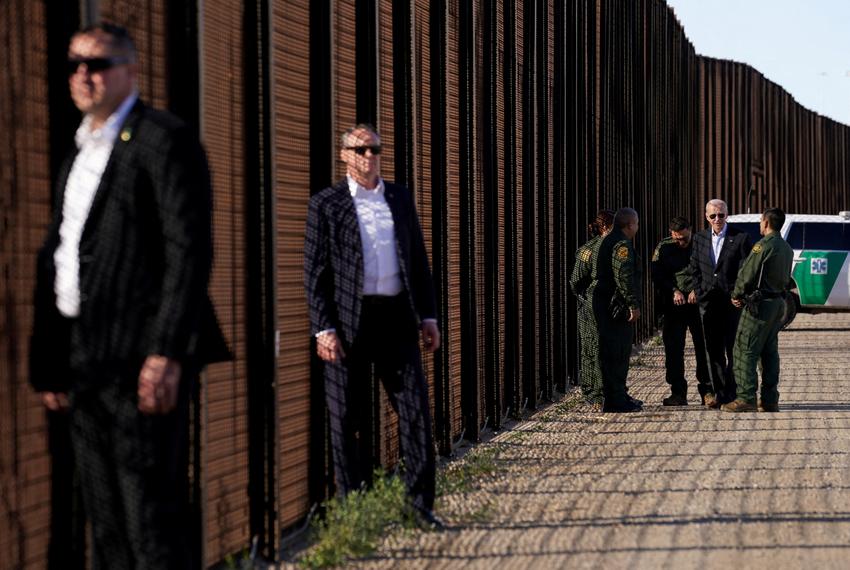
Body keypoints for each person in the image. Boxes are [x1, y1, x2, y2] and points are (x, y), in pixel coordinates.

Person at [29, 23, 229, 568]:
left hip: (140, 358)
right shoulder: (79, 153)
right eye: (73, 64)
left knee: (150, 514)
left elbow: (188, 252)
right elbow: (63, 254)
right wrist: (50, 363)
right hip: (84, 359)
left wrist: (165, 351)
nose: (82, 75)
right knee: (106, 518)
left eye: (97, 64)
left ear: (131, 71)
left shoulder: (163, 139)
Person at [303, 124, 443, 529]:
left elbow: (417, 260)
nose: (369, 155)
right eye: (360, 149)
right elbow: (315, 272)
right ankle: (356, 512)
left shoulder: (398, 197)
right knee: (345, 416)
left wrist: (429, 316)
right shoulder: (325, 204)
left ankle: (419, 506)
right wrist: (322, 327)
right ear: (344, 154)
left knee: (415, 410)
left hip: (396, 318)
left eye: (375, 148)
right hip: (348, 322)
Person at [723, 208, 793, 412]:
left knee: (745, 349)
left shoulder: (763, 246)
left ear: (766, 223)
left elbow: (748, 273)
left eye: (761, 221)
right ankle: (770, 399)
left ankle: (746, 398)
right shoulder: (786, 247)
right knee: (769, 351)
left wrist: (736, 294)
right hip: (777, 304)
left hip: (759, 305)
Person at [689, 199, 752, 407]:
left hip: (731, 302)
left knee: (733, 348)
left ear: (727, 215)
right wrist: (700, 292)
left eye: (721, 215)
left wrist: (738, 293)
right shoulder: (699, 239)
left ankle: (733, 391)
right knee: (713, 349)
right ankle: (720, 392)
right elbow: (695, 268)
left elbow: (745, 270)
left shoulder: (740, 238)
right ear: (706, 217)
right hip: (709, 302)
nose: (717, 219)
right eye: (713, 216)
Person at [650, 217, 710, 406]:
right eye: (677, 239)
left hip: (698, 303)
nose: (681, 243)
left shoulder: (702, 243)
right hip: (675, 304)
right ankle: (678, 392)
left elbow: (710, 271)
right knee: (674, 348)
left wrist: (696, 289)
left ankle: (707, 390)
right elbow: (657, 274)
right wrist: (673, 291)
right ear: (671, 234)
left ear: (691, 230)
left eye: (684, 238)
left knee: (704, 347)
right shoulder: (665, 247)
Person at [594, 208, 643, 413]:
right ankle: (616, 400)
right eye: (637, 224)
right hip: (615, 307)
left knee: (613, 352)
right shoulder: (621, 244)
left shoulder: (609, 240)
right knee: (618, 352)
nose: (638, 228)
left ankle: (618, 395)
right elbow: (623, 276)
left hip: (606, 305)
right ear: (630, 225)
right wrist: (632, 304)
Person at [570, 210, 615, 407]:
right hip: (591, 307)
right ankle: (595, 394)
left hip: (609, 307)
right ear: (605, 226)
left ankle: (609, 392)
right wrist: (588, 298)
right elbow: (576, 281)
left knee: (608, 350)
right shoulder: (589, 250)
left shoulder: (615, 246)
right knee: (592, 349)